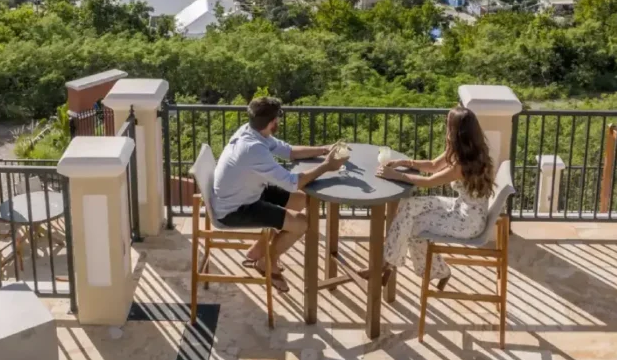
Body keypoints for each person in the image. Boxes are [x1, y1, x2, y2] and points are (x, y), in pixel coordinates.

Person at [212, 96, 345, 292]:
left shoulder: (253, 132)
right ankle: (266, 263)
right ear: (273, 122)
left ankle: (258, 249)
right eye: (278, 119)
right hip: (236, 208)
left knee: (303, 198)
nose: (279, 122)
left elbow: (289, 152)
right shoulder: (253, 149)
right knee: (301, 223)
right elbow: (293, 183)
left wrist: (325, 150)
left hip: (248, 192)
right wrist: (327, 166)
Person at [371, 106, 495, 289]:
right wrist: (404, 163)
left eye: (448, 124)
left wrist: (396, 175)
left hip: (467, 221)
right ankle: (389, 261)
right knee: (410, 205)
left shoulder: (462, 163)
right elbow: (433, 165)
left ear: (456, 130)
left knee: (414, 226)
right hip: (461, 207)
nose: (446, 127)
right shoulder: (468, 150)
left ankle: (436, 271)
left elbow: (429, 182)